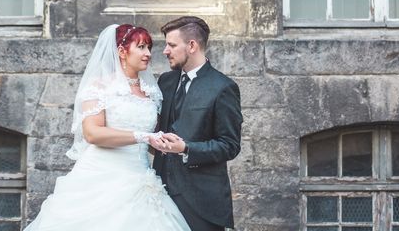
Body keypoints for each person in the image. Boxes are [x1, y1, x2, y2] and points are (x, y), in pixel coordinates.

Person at [23, 24, 191, 231]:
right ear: (122, 51)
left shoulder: (153, 93)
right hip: (102, 178)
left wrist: (165, 143)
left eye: (149, 48)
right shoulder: (99, 87)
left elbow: (150, 141)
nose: (148, 54)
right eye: (141, 47)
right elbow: (93, 133)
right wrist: (143, 137)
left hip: (142, 178)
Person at [153, 16, 243, 231]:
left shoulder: (223, 87)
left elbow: (229, 145)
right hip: (159, 192)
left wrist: (185, 148)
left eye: (172, 45)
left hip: (201, 200)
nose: (166, 51)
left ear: (192, 45)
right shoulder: (165, 81)